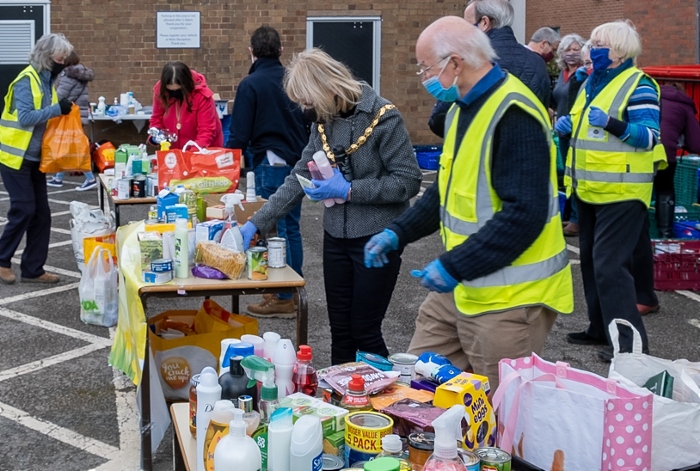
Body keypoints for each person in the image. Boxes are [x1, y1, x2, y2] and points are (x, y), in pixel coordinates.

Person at [365, 16, 573, 392]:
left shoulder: (513, 113)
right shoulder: (462, 108)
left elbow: (523, 215)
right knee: (418, 389)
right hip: (462, 287)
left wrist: (452, 265)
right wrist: (398, 232)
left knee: (500, 416)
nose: (423, 76)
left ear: (455, 63)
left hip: (510, 300)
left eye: (426, 67)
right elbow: (444, 190)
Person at [239, 48, 422, 364]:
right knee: (340, 331)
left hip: (377, 239)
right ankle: (341, 404)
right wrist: (256, 221)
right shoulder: (324, 119)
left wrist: (350, 190)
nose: (305, 109)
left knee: (364, 330)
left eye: (308, 100)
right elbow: (298, 176)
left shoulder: (384, 117)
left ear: (329, 89)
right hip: (336, 238)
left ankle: (381, 406)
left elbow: (407, 182)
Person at [556, 20, 667, 362]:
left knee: (609, 266)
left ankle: (631, 347)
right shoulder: (592, 83)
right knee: (590, 262)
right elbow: (587, 135)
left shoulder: (639, 85)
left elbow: (649, 136)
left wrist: (612, 124)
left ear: (619, 50)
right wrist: (566, 129)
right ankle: (599, 330)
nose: (592, 47)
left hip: (622, 193)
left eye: (599, 42)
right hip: (589, 190)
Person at [226, 26, 311, 317]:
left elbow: (238, 133)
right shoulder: (295, 81)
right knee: (291, 228)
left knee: (274, 229)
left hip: (270, 162)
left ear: (251, 51)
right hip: (300, 161)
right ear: (281, 50)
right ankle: (291, 293)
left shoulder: (251, 84)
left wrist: (228, 167)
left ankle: (284, 296)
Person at [0, 33, 74, 285]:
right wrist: (56, 109)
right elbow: (26, 118)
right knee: (24, 209)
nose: (63, 61)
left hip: (34, 159)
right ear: (46, 56)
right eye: (59, 57)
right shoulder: (26, 80)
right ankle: (1, 261)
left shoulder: (47, 81)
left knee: (42, 215)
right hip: (15, 158)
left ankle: (33, 269)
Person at [428, 0, 552, 137]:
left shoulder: (471, 61)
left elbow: (439, 120)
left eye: (466, 26)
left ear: (484, 23)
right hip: (529, 151)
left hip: (478, 151)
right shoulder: (538, 63)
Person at [551, 35, 586, 236]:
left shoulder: (583, 75)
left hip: (576, 132)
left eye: (576, 49)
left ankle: (576, 219)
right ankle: (571, 215)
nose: (572, 53)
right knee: (567, 174)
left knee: (575, 175)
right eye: (568, 49)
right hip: (562, 132)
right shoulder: (563, 74)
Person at [654, 82, 700, 237]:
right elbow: (695, 143)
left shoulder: (651, 96)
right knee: (665, 189)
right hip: (665, 153)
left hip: (639, 149)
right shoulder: (684, 105)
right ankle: (665, 233)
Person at [46, 50, 96, 191]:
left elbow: (60, 96)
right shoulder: (80, 75)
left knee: (74, 148)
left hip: (70, 117)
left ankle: (90, 178)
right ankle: (58, 177)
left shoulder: (68, 75)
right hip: (78, 116)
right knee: (67, 146)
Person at [149, 61, 223, 150]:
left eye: (178, 90)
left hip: (202, 151)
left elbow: (207, 130)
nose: (174, 94)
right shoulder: (160, 92)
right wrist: (156, 135)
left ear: (186, 86)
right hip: (174, 152)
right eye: (170, 91)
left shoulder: (202, 95)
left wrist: (191, 153)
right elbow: (157, 118)